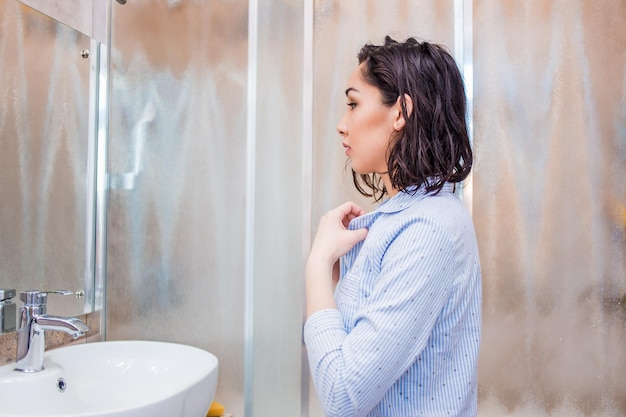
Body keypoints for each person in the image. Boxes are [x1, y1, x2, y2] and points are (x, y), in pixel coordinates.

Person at [303, 36, 482, 417]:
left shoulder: (427, 231)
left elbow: (342, 395)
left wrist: (317, 267)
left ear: (400, 111)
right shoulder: (407, 218)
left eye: (353, 104)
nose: (341, 124)